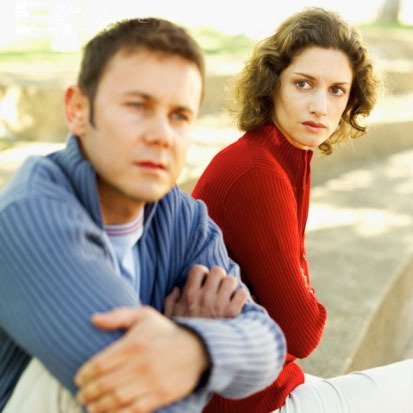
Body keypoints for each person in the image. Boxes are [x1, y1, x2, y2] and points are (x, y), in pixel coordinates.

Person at [0, 18, 287, 413]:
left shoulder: (183, 217)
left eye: (179, 116)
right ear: (78, 110)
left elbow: (269, 343)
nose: (162, 135)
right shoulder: (31, 217)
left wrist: (194, 344)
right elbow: (140, 401)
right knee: (98, 377)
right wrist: (205, 352)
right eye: (138, 106)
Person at [192, 7, 413, 413]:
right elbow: (303, 332)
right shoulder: (256, 172)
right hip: (246, 402)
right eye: (303, 84)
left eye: (337, 90)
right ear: (272, 83)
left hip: (260, 384)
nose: (320, 107)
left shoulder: (279, 159)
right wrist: (307, 301)